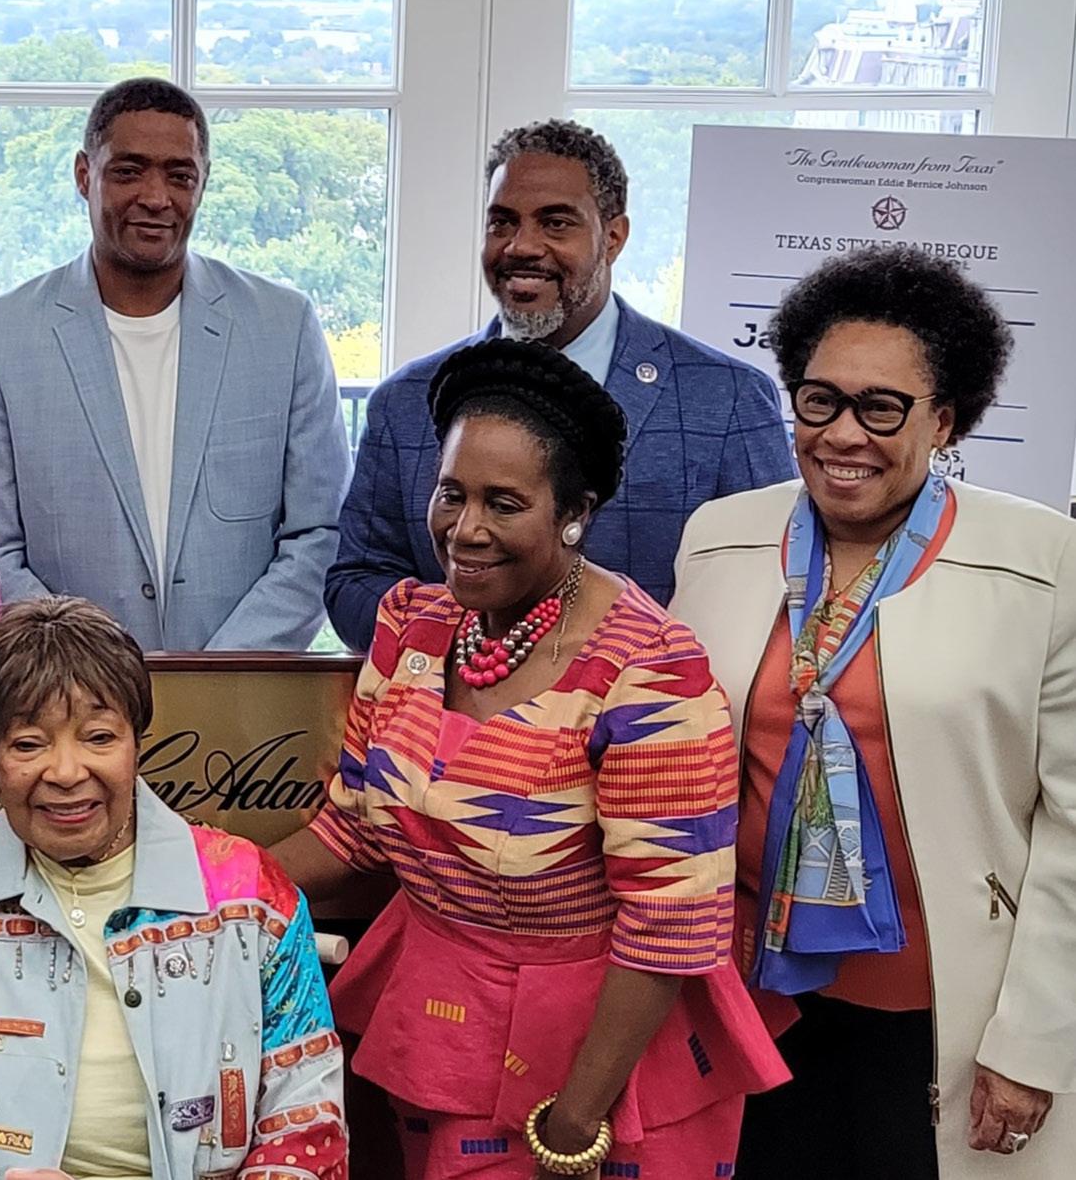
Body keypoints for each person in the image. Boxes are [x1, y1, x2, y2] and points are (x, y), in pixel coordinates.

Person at [273, 340, 786, 1178]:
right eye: (452, 493)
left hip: (596, 1055)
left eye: (504, 503)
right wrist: (205, 879)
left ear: (574, 513)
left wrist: (576, 1123)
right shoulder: (411, 625)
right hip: (440, 1023)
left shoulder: (649, 673)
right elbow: (354, 828)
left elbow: (668, 929)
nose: (465, 529)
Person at [671, 246, 1076, 1179]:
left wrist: (1034, 1038)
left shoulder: (1043, 562)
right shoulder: (719, 538)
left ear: (945, 420)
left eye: (881, 408)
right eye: (820, 401)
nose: (842, 434)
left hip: (945, 1010)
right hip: (742, 992)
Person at [0, 596, 346, 1178]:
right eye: (28, 744)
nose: (66, 772)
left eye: (98, 737)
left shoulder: (250, 896)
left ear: (138, 744)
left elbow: (304, 1121)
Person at [325, 119, 793, 651]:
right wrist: (485, 645)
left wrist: (621, 665)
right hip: (457, 699)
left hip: (654, 703)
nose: (521, 246)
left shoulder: (726, 400)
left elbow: (770, 587)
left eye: (555, 223)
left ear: (613, 238)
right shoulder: (406, 402)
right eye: (502, 223)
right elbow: (355, 584)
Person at [0, 77, 347, 653]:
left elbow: (319, 533)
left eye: (180, 176)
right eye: (129, 171)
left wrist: (218, 673)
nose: (156, 197)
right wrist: (90, 670)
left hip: (243, 689)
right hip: (64, 689)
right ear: (84, 175)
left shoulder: (285, 327)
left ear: (203, 183)